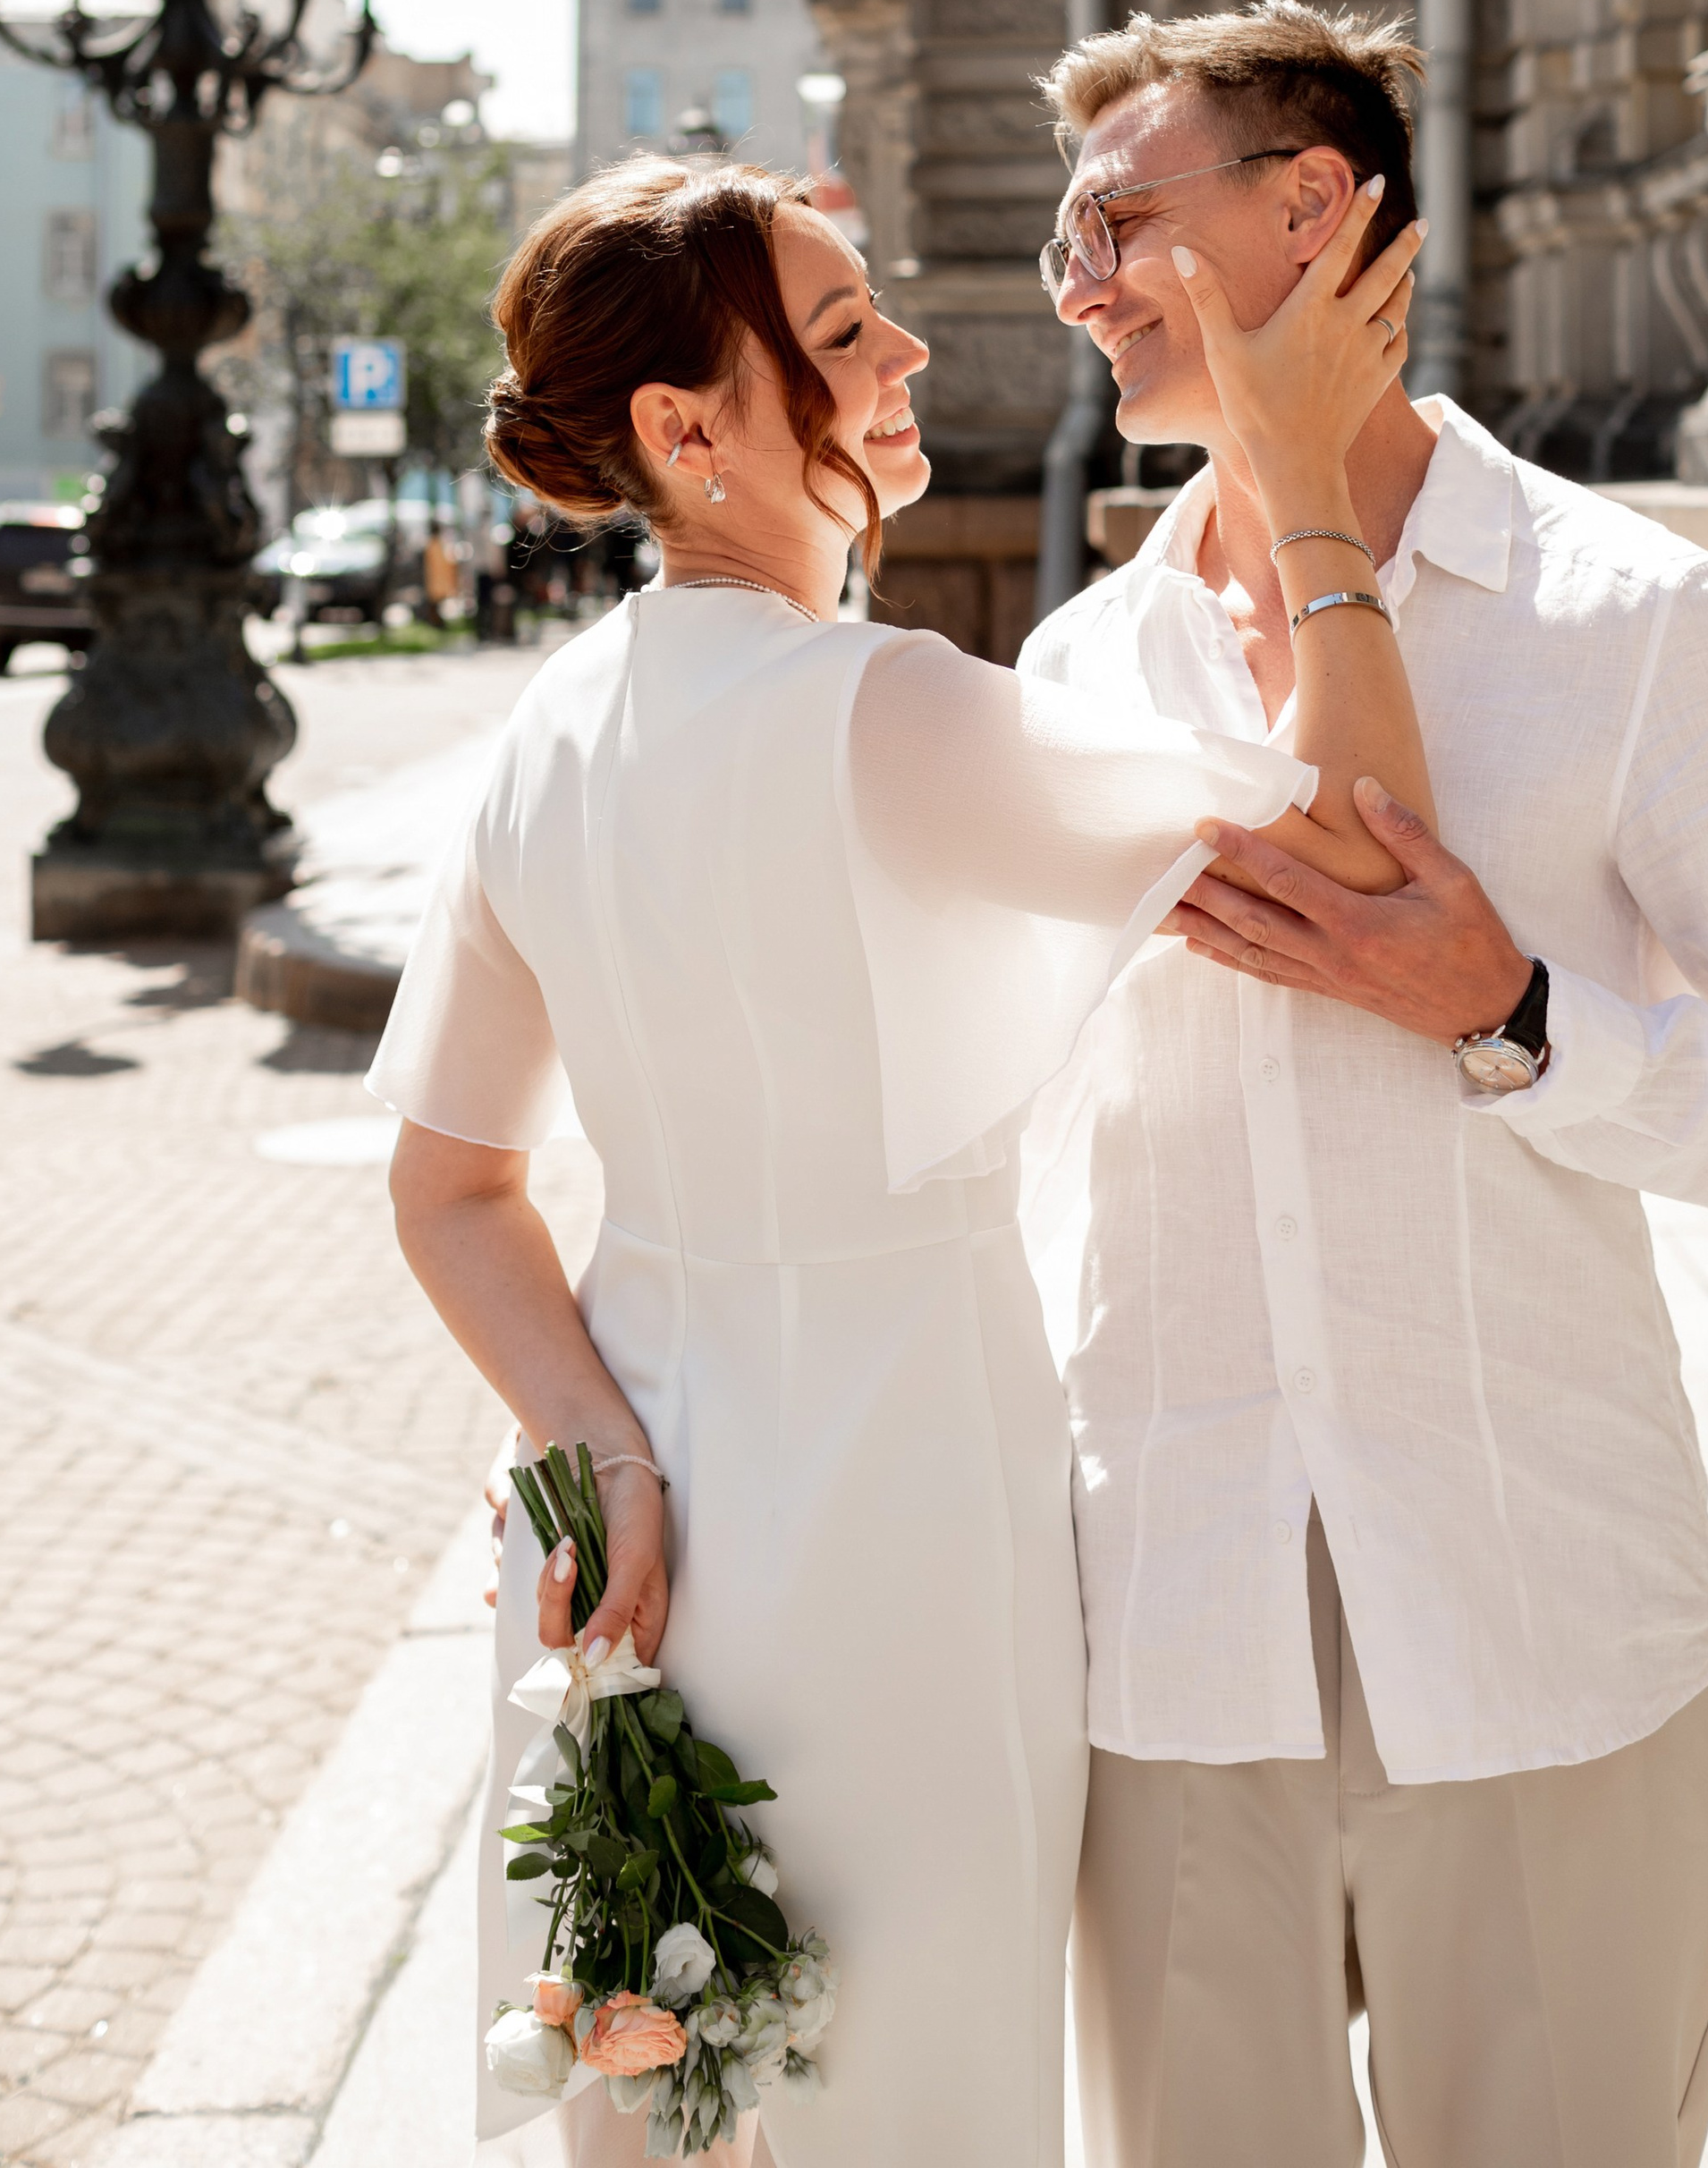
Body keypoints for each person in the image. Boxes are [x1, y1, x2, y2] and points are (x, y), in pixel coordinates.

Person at [369, 152, 1427, 2168]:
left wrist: (589, 1430)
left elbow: (447, 1184)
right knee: (918, 2090)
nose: (910, 350)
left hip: (625, 1525)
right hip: (893, 1496)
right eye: (843, 334)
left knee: (664, 2089)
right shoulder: (886, 714)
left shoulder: (544, 735)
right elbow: (1354, 852)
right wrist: (1301, 478)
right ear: (687, 432)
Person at [1025, 0, 1708, 2168]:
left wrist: (1522, 1017)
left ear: (1312, 212)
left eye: (1119, 220)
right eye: (1059, 234)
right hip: (1165, 1660)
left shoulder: (1632, 622)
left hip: (1543, 1637)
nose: (1068, 285)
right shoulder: (1077, 670)